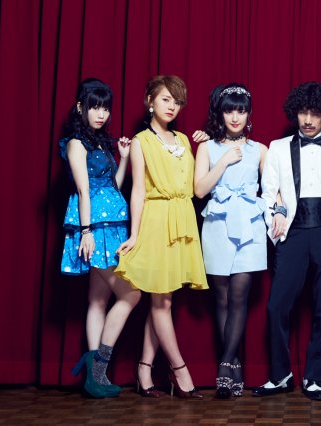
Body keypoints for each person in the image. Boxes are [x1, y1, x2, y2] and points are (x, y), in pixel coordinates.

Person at [252, 82, 321, 401]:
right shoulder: (278, 147)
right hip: (292, 232)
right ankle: (280, 375)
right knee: (277, 306)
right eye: (303, 113)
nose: (308, 120)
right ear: (294, 113)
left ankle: (314, 378)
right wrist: (277, 215)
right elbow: (268, 192)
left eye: (315, 114)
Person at [115, 75, 208, 399]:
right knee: (162, 301)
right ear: (150, 101)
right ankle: (180, 371)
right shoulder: (141, 141)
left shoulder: (183, 140)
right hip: (156, 221)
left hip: (182, 220)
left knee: (162, 299)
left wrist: (207, 144)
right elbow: (138, 190)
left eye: (177, 101)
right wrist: (134, 234)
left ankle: (144, 369)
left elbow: (196, 184)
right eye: (166, 99)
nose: (172, 106)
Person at [61, 78, 141, 398]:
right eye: (94, 107)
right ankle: (97, 368)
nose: (101, 114)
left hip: (113, 224)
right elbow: (83, 190)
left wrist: (123, 158)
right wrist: (86, 232)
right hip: (95, 229)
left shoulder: (100, 142)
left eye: (105, 108)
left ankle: (94, 377)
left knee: (98, 299)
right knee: (131, 294)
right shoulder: (75, 144)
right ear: (80, 107)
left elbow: (113, 186)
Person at [193, 83, 267, 398]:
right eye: (229, 110)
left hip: (250, 227)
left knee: (239, 296)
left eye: (241, 110)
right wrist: (223, 161)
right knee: (221, 299)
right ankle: (233, 365)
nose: (235, 117)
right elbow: (199, 190)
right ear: (220, 113)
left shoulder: (261, 149)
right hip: (217, 226)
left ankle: (224, 365)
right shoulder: (207, 148)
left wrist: (278, 212)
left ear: (249, 114)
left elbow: (273, 189)